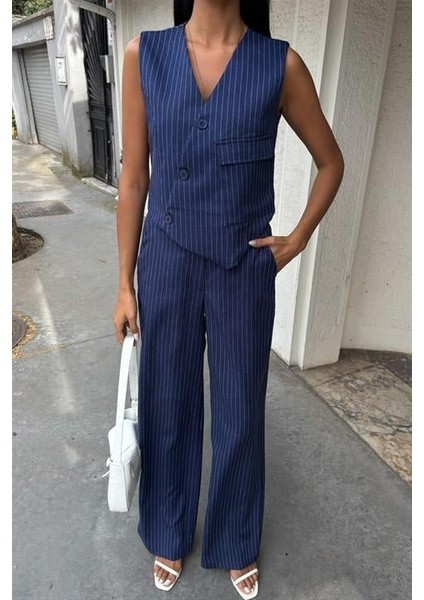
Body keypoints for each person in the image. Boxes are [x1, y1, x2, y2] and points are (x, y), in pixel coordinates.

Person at [113, 0, 344, 597]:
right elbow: (134, 177)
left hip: (243, 269)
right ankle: (167, 529)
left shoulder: (279, 65)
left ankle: (237, 538)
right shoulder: (145, 56)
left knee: (240, 409)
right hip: (165, 262)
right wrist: (124, 283)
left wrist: (295, 239)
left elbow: (330, 161)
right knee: (167, 401)